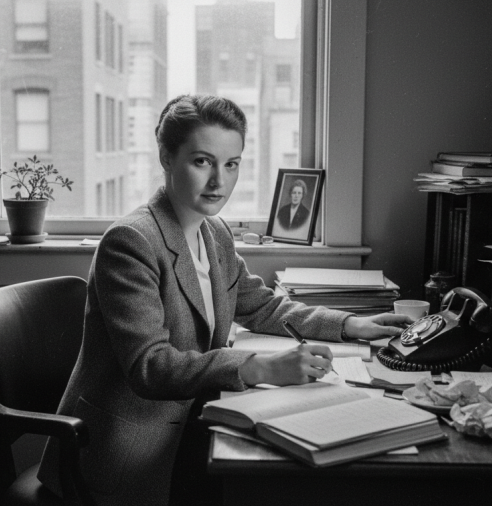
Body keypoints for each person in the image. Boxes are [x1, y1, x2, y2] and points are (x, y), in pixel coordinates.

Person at [37, 95, 412, 506]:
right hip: (129, 450)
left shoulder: (214, 233)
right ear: (165, 156)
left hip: (190, 424)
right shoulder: (130, 242)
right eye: (202, 161)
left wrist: (349, 325)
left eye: (231, 164)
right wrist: (260, 366)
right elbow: (151, 367)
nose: (219, 181)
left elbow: (264, 305)